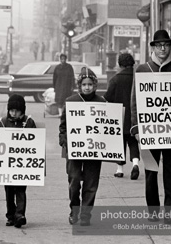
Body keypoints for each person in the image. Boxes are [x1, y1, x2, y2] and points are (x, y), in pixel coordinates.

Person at [130, 30, 171, 224]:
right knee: (151, 172)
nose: (163, 49)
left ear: (170, 47)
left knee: (170, 170)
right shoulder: (142, 69)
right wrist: (136, 128)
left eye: (166, 45)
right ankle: (153, 210)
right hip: (149, 130)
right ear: (153, 47)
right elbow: (135, 100)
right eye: (159, 45)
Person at [59, 68, 105, 226]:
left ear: (95, 85)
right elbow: (63, 126)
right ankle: (74, 210)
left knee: (91, 183)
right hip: (74, 151)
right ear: (80, 85)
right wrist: (64, 140)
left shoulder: (102, 102)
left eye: (90, 84)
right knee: (74, 181)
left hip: (94, 151)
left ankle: (86, 213)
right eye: (84, 84)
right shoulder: (71, 101)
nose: (87, 87)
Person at [0, 94, 37, 228]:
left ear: (22, 110)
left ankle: (20, 215)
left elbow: (35, 143)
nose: (14, 113)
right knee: (8, 191)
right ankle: (10, 215)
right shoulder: (1, 123)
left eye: (17, 111)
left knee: (20, 189)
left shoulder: (29, 123)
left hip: (22, 165)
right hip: (6, 165)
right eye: (11, 110)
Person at [104, 53, 140, 180]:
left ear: (120, 64)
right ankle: (135, 164)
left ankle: (119, 170)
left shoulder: (115, 79)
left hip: (119, 116)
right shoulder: (138, 78)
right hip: (135, 117)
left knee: (120, 144)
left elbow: (108, 97)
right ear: (132, 64)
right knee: (133, 141)